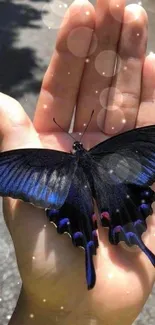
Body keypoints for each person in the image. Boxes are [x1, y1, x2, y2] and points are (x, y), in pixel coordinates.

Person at [0, 0, 155, 324]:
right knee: (123, 214)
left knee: (95, 218)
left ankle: (93, 253)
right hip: (112, 191)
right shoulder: (113, 149)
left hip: (75, 197)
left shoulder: (48, 163)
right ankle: (130, 241)